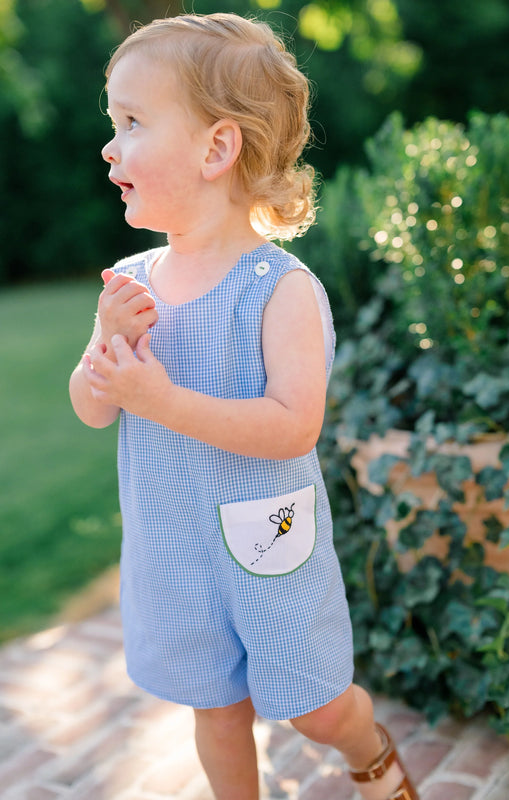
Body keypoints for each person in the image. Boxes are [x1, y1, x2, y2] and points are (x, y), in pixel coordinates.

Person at [69, 13, 418, 800]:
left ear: (215, 149)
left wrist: (160, 400)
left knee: (316, 707)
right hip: (173, 547)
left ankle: (369, 753)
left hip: (266, 542)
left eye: (132, 123)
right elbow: (92, 407)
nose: (109, 147)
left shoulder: (278, 290)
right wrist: (105, 352)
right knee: (216, 710)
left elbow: (293, 426)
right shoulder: (129, 283)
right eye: (112, 123)